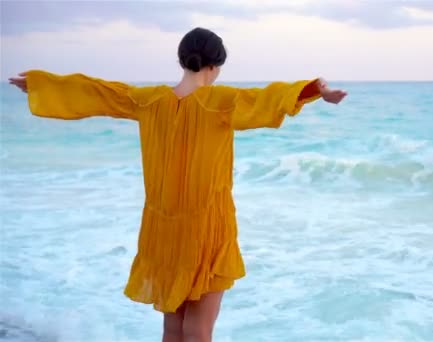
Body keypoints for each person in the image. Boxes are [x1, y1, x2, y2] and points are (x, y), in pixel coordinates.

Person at [8, 27, 347, 342]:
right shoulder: (222, 101)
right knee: (198, 331)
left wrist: (41, 85)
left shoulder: (148, 99)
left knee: (173, 329)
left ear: (181, 61)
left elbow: (99, 93)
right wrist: (318, 90)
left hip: (163, 229)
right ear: (214, 66)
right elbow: (268, 99)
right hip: (207, 227)